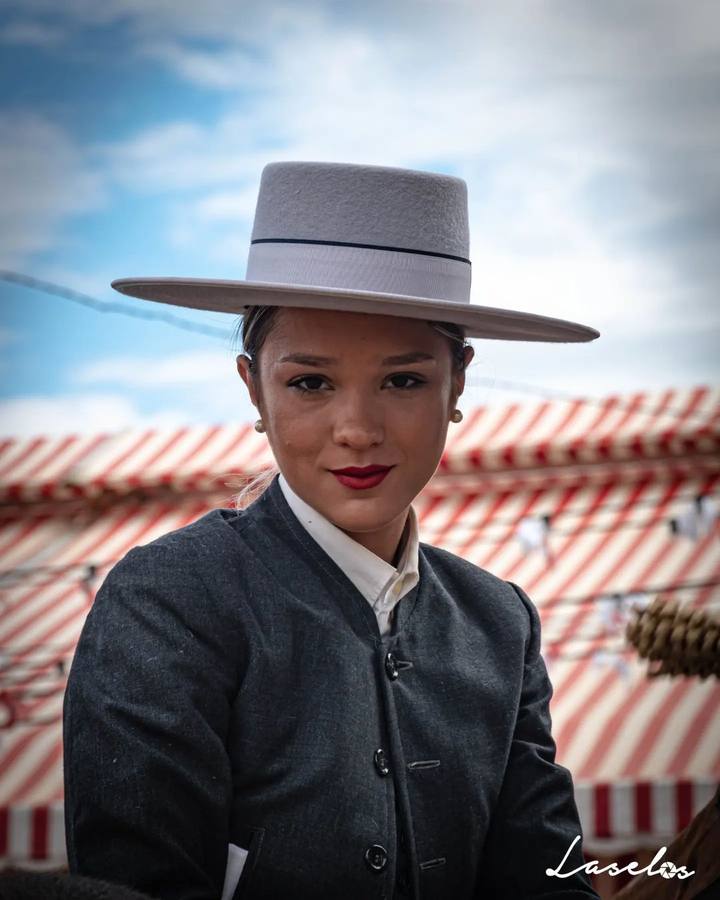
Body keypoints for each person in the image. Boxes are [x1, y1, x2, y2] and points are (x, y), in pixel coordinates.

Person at [63, 161, 602, 899]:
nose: (357, 430)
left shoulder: (498, 622)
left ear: (460, 384)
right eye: (310, 383)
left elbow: (546, 880)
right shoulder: (166, 602)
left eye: (403, 380)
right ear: (253, 387)